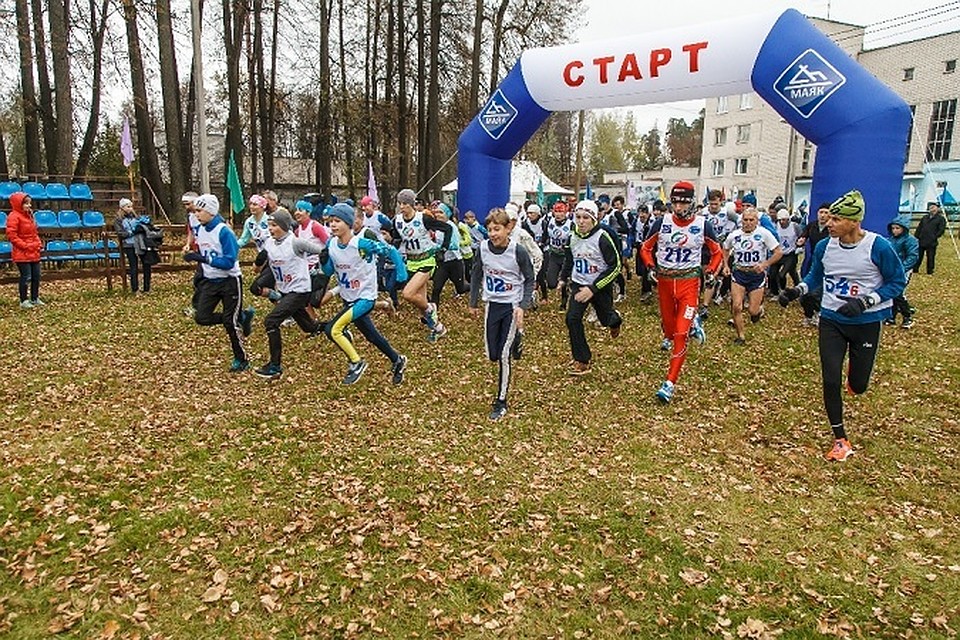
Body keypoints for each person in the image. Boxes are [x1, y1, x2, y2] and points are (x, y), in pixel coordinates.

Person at [779, 190, 906, 462]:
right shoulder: (826, 246)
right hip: (831, 320)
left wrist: (866, 301)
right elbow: (816, 275)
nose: (829, 223)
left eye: (836, 219)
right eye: (829, 218)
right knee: (829, 378)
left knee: (858, 385)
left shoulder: (878, 246)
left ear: (854, 221)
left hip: (866, 322)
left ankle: (855, 375)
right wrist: (797, 291)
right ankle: (840, 439)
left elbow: (897, 283)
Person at [640, 181, 723, 403]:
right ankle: (694, 319)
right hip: (665, 282)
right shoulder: (661, 222)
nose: (679, 208)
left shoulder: (703, 224)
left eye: (683, 203)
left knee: (679, 333)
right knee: (668, 330)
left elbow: (717, 252)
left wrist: (712, 271)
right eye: (675, 203)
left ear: (692, 203)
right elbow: (645, 248)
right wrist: (650, 267)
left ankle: (669, 383)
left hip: (689, 282)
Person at [322, 203, 409, 385]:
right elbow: (329, 271)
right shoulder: (331, 244)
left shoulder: (360, 244)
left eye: (337, 221)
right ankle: (397, 360)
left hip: (365, 298)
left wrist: (401, 272)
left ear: (349, 223)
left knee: (333, 329)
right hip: (348, 297)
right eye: (331, 221)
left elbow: (390, 250)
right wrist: (324, 261)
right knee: (372, 336)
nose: (333, 225)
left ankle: (356, 362)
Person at [470, 208, 535, 420]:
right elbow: (476, 273)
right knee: (492, 355)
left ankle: (501, 401)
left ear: (508, 229)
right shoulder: (482, 248)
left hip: (511, 305)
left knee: (504, 356)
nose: (493, 234)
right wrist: (473, 302)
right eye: (489, 230)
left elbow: (529, 279)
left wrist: (522, 306)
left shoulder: (518, 251)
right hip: (492, 305)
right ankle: (517, 337)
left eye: (497, 229)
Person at [249, 209, 326, 379]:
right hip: (285, 290)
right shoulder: (270, 242)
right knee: (309, 327)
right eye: (269, 225)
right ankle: (332, 327)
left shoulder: (296, 242)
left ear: (284, 226)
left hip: (300, 291)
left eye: (274, 225)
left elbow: (321, 250)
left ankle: (275, 366)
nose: (270, 229)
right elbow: (266, 260)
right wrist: (260, 263)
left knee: (271, 321)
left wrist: (324, 267)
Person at [183, 194, 256, 372]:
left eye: (200, 211)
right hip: (210, 281)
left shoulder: (224, 232)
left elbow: (229, 261)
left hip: (229, 281)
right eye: (196, 211)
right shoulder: (200, 229)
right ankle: (242, 316)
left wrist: (202, 258)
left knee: (229, 323)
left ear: (210, 212)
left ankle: (242, 359)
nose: (196, 214)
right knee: (202, 317)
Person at [557, 200, 622, 376]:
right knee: (572, 319)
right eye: (578, 217)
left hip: (600, 286)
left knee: (604, 319)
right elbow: (569, 260)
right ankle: (582, 360)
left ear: (594, 219)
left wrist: (593, 289)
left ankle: (615, 320)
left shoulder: (603, 237)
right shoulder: (572, 237)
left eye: (586, 217)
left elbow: (615, 266)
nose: (581, 221)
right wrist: (563, 278)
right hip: (579, 283)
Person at [391, 188, 452, 341]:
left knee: (408, 294)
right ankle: (438, 328)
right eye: (400, 203)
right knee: (420, 302)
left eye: (405, 203)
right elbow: (397, 238)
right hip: (411, 262)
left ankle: (431, 307)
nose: (402, 206)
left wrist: (443, 248)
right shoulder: (397, 221)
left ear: (412, 204)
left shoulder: (423, 218)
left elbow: (447, 228)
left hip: (426, 260)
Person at [722, 207, 782, 345]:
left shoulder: (764, 234)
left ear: (757, 221)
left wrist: (765, 264)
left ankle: (758, 311)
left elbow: (778, 252)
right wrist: (725, 265)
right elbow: (725, 249)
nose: (748, 223)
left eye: (751, 220)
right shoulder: (735, 235)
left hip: (756, 275)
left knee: (752, 310)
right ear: (741, 220)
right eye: (745, 220)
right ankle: (741, 336)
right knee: (737, 306)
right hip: (739, 273)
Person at [6, 192, 43, 309]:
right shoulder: (13, 216)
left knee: (36, 276)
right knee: (26, 276)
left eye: (29, 203)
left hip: (33, 250)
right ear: (19, 204)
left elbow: (34, 233)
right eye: (26, 203)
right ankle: (23, 300)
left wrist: (38, 244)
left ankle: (35, 297)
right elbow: (12, 235)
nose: (29, 206)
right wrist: (25, 246)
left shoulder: (30, 216)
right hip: (22, 252)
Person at [797, 203, 831, 327]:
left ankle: (818, 312)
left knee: (817, 292)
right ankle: (808, 315)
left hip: (827, 264)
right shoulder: (812, 226)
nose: (823, 215)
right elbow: (803, 235)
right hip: (811, 261)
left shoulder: (832, 228)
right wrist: (801, 240)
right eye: (821, 212)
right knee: (805, 291)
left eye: (826, 213)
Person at [885, 214, 919, 329]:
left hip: (904, 271)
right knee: (892, 293)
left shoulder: (911, 240)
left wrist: (902, 269)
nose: (894, 230)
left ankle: (907, 317)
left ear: (904, 228)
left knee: (899, 293)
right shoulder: (891, 240)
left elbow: (913, 257)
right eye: (893, 228)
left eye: (897, 228)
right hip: (892, 270)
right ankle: (892, 317)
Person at [114, 198, 152, 294]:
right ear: (122, 208)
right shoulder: (119, 220)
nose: (130, 209)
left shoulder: (135, 217)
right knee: (133, 266)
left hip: (140, 243)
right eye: (128, 206)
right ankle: (135, 289)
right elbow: (121, 233)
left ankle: (147, 287)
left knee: (146, 264)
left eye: (131, 206)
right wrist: (131, 232)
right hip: (129, 244)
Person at [544, 201, 574, 308]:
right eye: (556, 211)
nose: (558, 214)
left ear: (565, 212)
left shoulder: (571, 224)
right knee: (551, 283)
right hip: (554, 255)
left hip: (566, 256)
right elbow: (545, 235)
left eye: (561, 212)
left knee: (564, 279)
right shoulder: (550, 221)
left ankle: (564, 300)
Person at [770, 208, 803, 297]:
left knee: (783, 274)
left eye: (784, 220)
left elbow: (802, 237)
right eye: (780, 220)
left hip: (790, 254)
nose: (782, 222)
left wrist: (800, 247)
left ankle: (785, 291)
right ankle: (775, 292)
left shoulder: (794, 226)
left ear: (788, 219)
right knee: (772, 274)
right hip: (779, 253)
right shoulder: (776, 226)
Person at [914, 201, 946, 274]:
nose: (932, 209)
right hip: (921, 240)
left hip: (932, 241)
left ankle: (930, 271)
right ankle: (915, 269)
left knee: (930, 257)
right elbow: (919, 227)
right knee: (918, 256)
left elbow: (941, 230)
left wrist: (934, 236)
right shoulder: (925, 217)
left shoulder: (940, 219)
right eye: (930, 207)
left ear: (937, 208)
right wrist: (916, 236)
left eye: (933, 207)